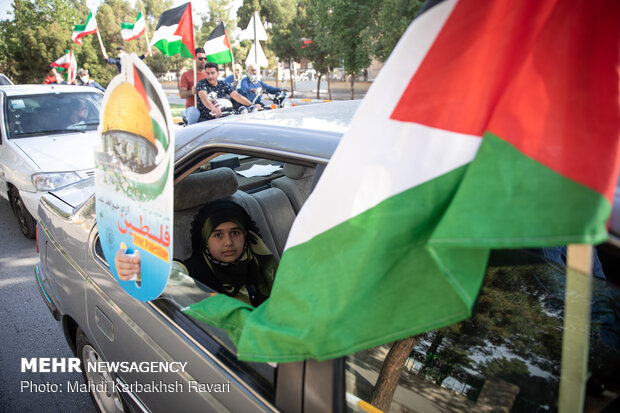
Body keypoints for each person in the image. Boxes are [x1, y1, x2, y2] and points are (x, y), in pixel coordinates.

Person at [115, 200, 277, 307]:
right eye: (218, 235)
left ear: (245, 235)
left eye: (235, 233)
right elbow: (169, 274)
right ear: (205, 240)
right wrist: (137, 269)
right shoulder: (196, 270)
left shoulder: (258, 259)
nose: (228, 242)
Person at [179, 48, 208, 125]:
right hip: (192, 107)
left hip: (207, 107)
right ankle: (189, 132)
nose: (203, 61)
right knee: (195, 113)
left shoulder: (209, 75)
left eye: (205, 58)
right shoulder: (186, 75)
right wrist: (191, 92)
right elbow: (182, 94)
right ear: (194, 59)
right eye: (200, 58)